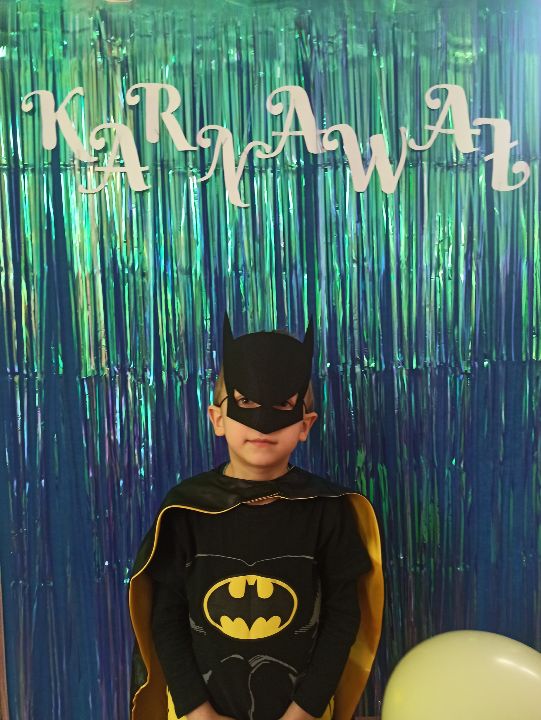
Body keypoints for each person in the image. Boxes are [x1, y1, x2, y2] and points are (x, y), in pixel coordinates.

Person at [128, 312, 384, 720]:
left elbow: (343, 617)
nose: (263, 422)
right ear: (217, 419)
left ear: (305, 425)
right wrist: (197, 711)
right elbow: (166, 618)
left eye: (284, 405)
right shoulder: (186, 510)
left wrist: (305, 711)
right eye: (245, 402)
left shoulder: (327, 509)